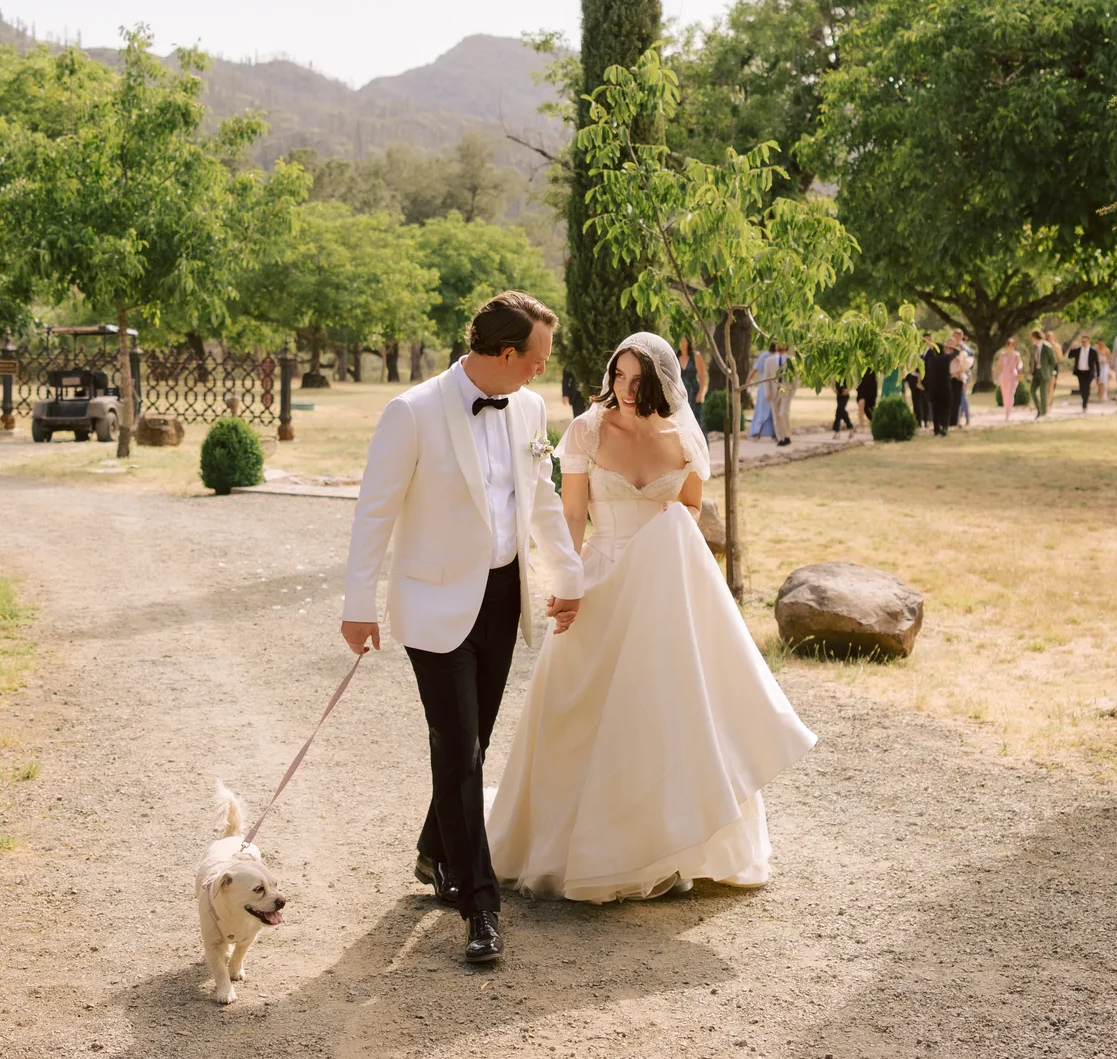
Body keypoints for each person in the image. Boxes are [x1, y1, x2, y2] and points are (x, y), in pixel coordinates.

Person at [487, 332, 816, 903]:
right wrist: (566, 584)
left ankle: (676, 845)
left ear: (663, 384)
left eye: (638, 381)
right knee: (580, 708)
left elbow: (688, 509)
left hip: (664, 593)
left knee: (668, 709)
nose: (625, 390)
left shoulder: (684, 439)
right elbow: (570, 515)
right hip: (602, 582)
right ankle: (577, 846)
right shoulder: (588, 429)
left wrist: (666, 529)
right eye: (618, 376)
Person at [340, 291, 586, 964]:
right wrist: (358, 603)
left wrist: (570, 580)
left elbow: (539, 501)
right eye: (536, 358)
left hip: (503, 595)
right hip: (431, 602)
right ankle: (479, 905)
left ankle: (433, 850)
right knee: (458, 746)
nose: (542, 369)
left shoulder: (531, 409)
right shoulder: (412, 412)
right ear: (506, 354)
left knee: (468, 745)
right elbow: (375, 512)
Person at [747, 343, 785, 441]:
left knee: (775, 411)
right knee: (762, 410)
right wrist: (748, 381)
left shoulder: (780, 358)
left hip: (776, 387)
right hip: (765, 387)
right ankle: (757, 432)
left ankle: (776, 433)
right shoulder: (765, 356)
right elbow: (755, 369)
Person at [923, 336, 957, 436]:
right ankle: (945, 427)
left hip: (934, 388)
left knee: (935, 409)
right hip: (945, 387)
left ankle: (936, 428)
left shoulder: (931, 361)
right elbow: (955, 353)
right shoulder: (946, 358)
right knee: (946, 407)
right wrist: (952, 347)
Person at [1067, 334, 1100, 411]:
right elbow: (1069, 356)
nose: (1083, 343)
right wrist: (1072, 348)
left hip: (1089, 372)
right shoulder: (1078, 350)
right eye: (1082, 342)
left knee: (1087, 387)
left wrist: (1098, 374)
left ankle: (1084, 404)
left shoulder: (1093, 351)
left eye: (1084, 342)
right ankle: (1084, 400)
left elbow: (1097, 363)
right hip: (1080, 372)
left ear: (1088, 341)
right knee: (1082, 388)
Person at [1028, 329, 1056, 419]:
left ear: (1035, 336)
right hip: (1036, 372)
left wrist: (1049, 371)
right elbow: (1032, 360)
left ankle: (1044, 413)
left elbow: (1053, 361)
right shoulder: (1034, 347)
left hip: (1045, 373)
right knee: (1032, 391)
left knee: (1043, 392)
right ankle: (1039, 409)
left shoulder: (1047, 346)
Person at [992, 340, 1023, 423]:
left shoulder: (1016, 354)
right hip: (1004, 376)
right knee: (1005, 395)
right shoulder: (1003, 355)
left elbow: (1020, 363)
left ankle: (1008, 414)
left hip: (1013, 375)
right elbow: (999, 366)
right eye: (1009, 345)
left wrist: (1020, 368)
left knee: (1011, 393)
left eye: (1012, 345)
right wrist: (996, 376)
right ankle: (1006, 411)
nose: (1011, 347)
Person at [950, 331, 975, 428]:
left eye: (955, 336)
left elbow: (968, 362)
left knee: (962, 398)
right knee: (957, 398)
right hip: (954, 376)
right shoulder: (952, 347)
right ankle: (957, 419)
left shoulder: (964, 349)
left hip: (963, 375)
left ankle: (967, 419)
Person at [678, 338, 706, 418]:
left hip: (694, 393)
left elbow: (702, 376)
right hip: (680, 394)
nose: (682, 343)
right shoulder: (675, 357)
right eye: (680, 341)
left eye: (684, 341)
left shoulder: (696, 356)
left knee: (696, 420)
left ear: (688, 341)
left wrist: (700, 393)